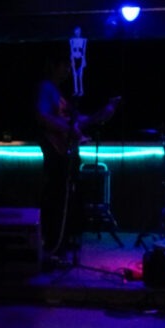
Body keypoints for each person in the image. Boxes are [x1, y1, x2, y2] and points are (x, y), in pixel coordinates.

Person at [35, 53, 120, 256]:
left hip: (67, 152)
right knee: (57, 197)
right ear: (53, 66)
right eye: (64, 65)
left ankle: (63, 241)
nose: (67, 70)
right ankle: (54, 243)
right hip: (57, 152)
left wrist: (100, 115)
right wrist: (68, 129)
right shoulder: (46, 88)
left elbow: (76, 120)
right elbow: (42, 116)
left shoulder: (58, 92)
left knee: (68, 196)